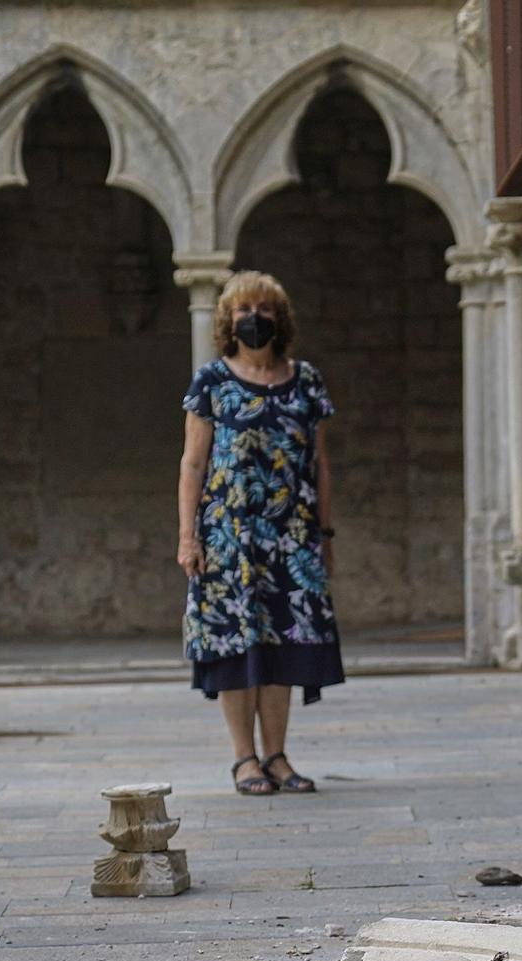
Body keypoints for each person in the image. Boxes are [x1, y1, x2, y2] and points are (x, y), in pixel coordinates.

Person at [177, 271, 341, 795]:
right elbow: (192, 464)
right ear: (228, 320)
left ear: (280, 319)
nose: (254, 318)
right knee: (234, 644)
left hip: (292, 537)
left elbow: (320, 463)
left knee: (283, 645)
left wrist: (325, 534)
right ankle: (244, 759)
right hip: (230, 538)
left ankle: (277, 756)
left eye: (264, 309)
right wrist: (188, 536)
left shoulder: (306, 380)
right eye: (243, 309)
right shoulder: (211, 382)